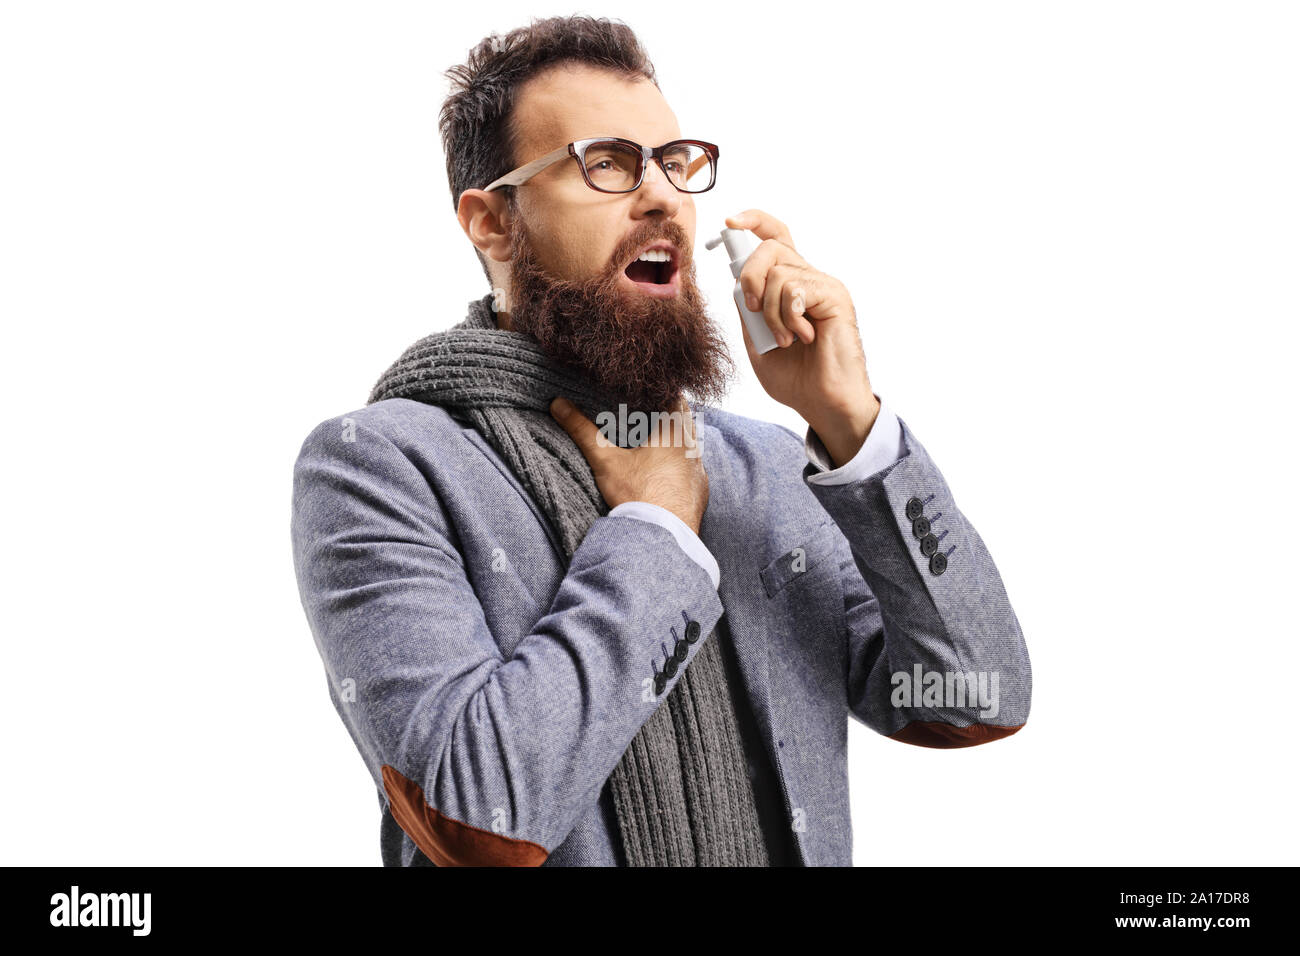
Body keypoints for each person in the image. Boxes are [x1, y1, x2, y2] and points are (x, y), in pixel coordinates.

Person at [290, 15, 1031, 867]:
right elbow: (478, 817)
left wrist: (849, 423)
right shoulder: (380, 466)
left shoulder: (766, 468)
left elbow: (981, 695)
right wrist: (658, 532)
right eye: (606, 162)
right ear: (491, 223)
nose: (663, 197)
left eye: (675, 164)